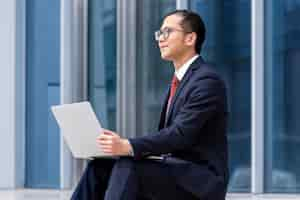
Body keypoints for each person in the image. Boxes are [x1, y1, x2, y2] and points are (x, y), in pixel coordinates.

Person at [71, 9, 229, 200]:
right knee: (101, 165)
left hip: (200, 181)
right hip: (175, 171)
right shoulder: (180, 81)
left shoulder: (206, 80)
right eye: (159, 33)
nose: (160, 39)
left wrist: (126, 145)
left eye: (168, 32)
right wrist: (120, 147)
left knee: (129, 166)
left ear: (190, 39)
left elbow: (180, 135)